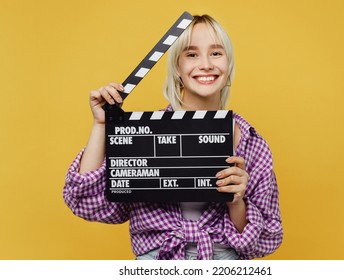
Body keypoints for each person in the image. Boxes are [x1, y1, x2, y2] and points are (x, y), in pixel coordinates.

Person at [63, 14, 283, 260]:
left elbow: (267, 240)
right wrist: (101, 125)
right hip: (157, 260)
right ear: (177, 67)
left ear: (229, 63)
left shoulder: (251, 142)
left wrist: (236, 201)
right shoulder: (142, 133)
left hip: (223, 261)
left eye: (216, 53)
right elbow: (86, 202)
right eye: (191, 54)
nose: (206, 64)